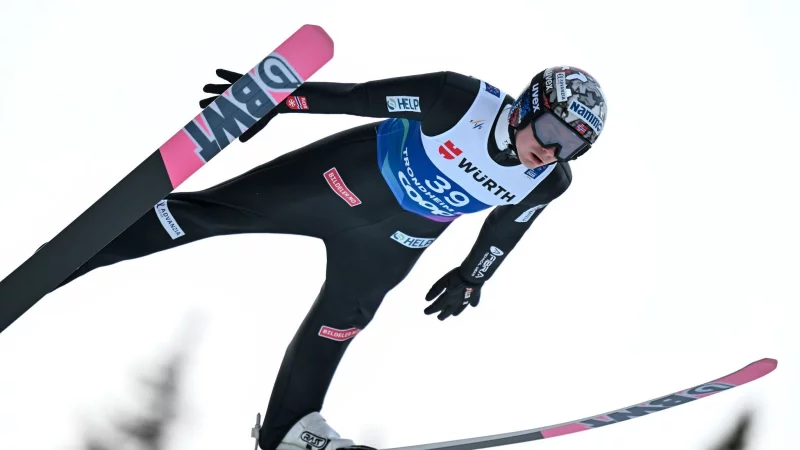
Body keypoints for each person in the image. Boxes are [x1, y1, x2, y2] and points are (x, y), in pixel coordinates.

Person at [53, 65, 608, 450]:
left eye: (572, 146)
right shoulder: (457, 101)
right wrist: (277, 102)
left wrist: (472, 276)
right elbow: (357, 98)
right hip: (340, 183)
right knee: (210, 214)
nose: (554, 151)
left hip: (395, 241)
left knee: (340, 325)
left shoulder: (547, 181)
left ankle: (288, 432)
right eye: (555, 131)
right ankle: (77, 257)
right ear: (531, 106)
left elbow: (506, 227)